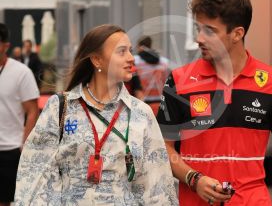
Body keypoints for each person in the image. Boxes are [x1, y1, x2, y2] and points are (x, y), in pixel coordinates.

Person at [157, 0, 272, 206]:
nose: (200, 38)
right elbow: (163, 147)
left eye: (210, 30)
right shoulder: (179, 80)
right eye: (198, 29)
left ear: (237, 34)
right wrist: (194, 179)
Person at [15, 24, 178, 205]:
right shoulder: (60, 108)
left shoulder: (141, 113)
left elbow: (157, 183)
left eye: (130, 51)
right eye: (121, 52)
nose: (131, 58)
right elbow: (35, 173)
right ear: (97, 60)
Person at [0, 23, 39, 206]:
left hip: (9, 149)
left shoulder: (21, 73)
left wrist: (24, 145)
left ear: (5, 45)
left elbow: (32, 111)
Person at [134, 35, 170, 115]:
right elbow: (167, 81)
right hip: (159, 99)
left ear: (140, 46)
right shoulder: (164, 62)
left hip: (141, 100)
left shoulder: (135, 61)